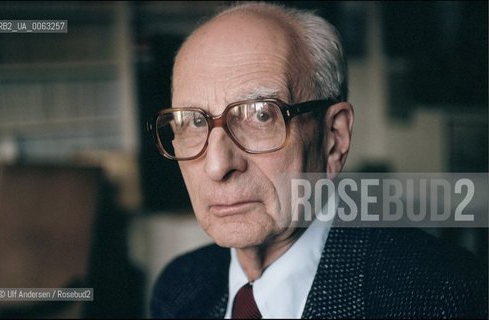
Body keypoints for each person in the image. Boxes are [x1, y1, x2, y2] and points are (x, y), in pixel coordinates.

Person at [149, 2, 487, 318]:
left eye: (261, 116)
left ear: (333, 137)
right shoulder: (178, 286)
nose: (217, 166)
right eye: (193, 121)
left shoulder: (438, 296)